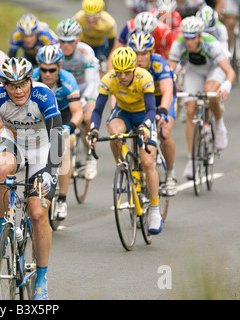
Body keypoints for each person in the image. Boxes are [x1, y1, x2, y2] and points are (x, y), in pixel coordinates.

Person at [0, 57, 64, 300]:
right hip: (15, 143)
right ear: (4, 85)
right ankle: (1, 226)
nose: (18, 90)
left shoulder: (43, 95)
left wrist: (49, 173)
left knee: (38, 213)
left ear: (31, 81)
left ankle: (41, 277)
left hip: (42, 149)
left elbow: (57, 136)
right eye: (11, 85)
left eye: (22, 84)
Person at [89, 47, 163, 235]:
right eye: (119, 72)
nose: (122, 77)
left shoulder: (144, 78)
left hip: (143, 115)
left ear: (133, 70)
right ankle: (122, 167)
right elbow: (98, 110)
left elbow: (151, 110)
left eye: (126, 72)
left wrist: (146, 126)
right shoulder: (108, 79)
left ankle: (155, 209)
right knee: (114, 131)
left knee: (147, 162)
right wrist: (93, 129)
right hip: (123, 113)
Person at [167, 16, 235, 179]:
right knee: (190, 110)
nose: (189, 42)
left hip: (214, 69)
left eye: (193, 38)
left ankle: (218, 125)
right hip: (194, 71)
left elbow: (229, 72)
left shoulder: (211, 44)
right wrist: (170, 84)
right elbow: (169, 71)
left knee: (210, 92)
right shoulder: (178, 44)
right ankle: (192, 159)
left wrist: (226, 86)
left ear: (199, 36)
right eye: (187, 38)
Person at [33, 45, 82, 219]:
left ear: (59, 67)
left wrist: (70, 126)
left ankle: (62, 198)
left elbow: (78, 111)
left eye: (52, 70)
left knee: (63, 151)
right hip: (41, 116)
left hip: (63, 115)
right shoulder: (32, 79)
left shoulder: (68, 80)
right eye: (44, 69)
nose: (47, 74)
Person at [129, 31, 179, 196]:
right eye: (136, 54)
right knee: (135, 129)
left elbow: (167, 91)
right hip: (143, 100)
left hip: (162, 99)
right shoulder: (128, 66)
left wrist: (163, 111)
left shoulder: (159, 64)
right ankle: (136, 165)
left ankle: (170, 174)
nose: (139, 58)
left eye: (144, 54)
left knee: (164, 132)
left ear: (151, 52)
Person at [56, 18, 101, 180]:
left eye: (70, 41)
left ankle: (90, 156)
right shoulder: (55, 52)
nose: (66, 45)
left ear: (78, 40)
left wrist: (84, 99)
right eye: (62, 41)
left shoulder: (85, 52)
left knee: (88, 116)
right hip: (68, 90)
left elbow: (92, 81)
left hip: (86, 88)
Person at [109, 11, 176, 62]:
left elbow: (169, 58)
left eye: (148, 33)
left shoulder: (165, 33)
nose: (143, 36)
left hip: (157, 54)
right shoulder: (129, 27)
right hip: (136, 52)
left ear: (154, 30)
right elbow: (115, 52)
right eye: (140, 32)